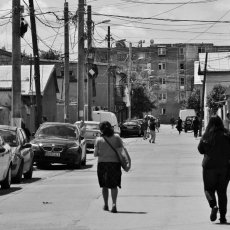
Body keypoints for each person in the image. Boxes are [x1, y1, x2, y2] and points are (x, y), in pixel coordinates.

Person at [198, 115, 230, 224]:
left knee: (208, 189)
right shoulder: (227, 134)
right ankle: (223, 217)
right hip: (224, 167)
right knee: (222, 192)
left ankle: (213, 205)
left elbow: (200, 150)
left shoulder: (207, 135)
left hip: (209, 167)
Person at [94, 121, 124, 213]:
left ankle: (106, 204)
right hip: (115, 164)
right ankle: (114, 204)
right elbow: (122, 149)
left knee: (104, 186)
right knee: (114, 185)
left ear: (101, 129)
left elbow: (95, 154)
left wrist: (102, 152)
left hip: (102, 164)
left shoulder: (99, 140)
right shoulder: (117, 138)